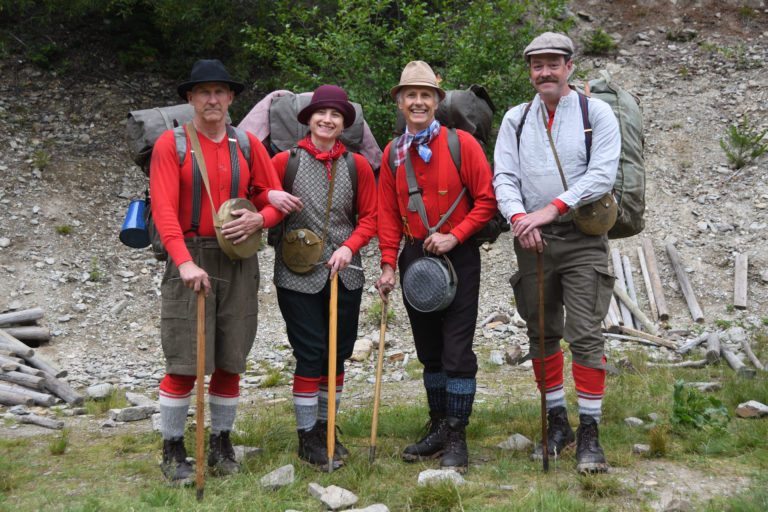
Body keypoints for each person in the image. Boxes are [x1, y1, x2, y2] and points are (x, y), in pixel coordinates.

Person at [149, 59, 283, 484]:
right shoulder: (172, 145)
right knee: (184, 359)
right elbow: (165, 209)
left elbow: (272, 198)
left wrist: (260, 219)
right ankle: (172, 449)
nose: (212, 99)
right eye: (203, 92)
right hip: (190, 254)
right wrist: (183, 261)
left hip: (240, 257)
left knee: (231, 357)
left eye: (219, 92)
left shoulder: (246, 144)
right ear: (190, 98)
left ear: (230, 98)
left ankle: (222, 443)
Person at [493, 32, 620, 474]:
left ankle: (590, 433)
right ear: (529, 71)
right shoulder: (516, 118)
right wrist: (518, 218)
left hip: (582, 236)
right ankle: (556, 422)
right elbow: (504, 176)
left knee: (585, 332)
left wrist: (549, 210)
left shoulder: (596, 113)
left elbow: (602, 174)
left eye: (552, 63)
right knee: (541, 331)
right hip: (532, 239)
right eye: (536, 65)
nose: (543, 72)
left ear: (569, 66)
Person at [376, 61, 497, 474]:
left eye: (425, 95)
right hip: (413, 258)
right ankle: (438, 427)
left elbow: (487, 200)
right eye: (410, 95)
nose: (417, 102)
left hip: (458, 256)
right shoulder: (393, 153)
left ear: (437, 101)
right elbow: (387, 215)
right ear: (399, 101)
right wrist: (388, 264)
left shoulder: (463, 144)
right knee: (429, 351)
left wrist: (455, 235)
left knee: (457, 350)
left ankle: (457, 434)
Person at [266, 85, 377, 470]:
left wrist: (351, 246)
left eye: (336, 115)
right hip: (296, 275)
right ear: (309, 118)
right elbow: (261, 197)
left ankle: (328, 427)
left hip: (345, 275)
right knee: (310, 353)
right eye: (321, 113)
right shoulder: (285, 162)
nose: (328, 120)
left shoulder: (357, 165)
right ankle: (307, 436)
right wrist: (269, 200)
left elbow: (371, 217)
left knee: (337, 355)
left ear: (345, 123)